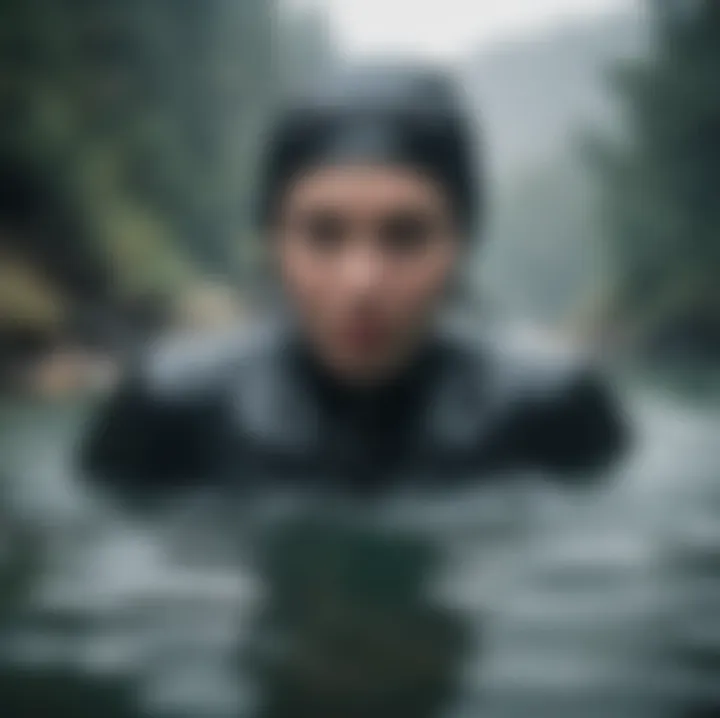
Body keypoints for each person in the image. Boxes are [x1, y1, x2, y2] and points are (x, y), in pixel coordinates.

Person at [80, 63, 628, 504]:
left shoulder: (552, 409)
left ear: (462, 243)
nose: (362, 282)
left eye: (405, 235)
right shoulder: (168, 410)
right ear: (272, 240)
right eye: (323, 234)